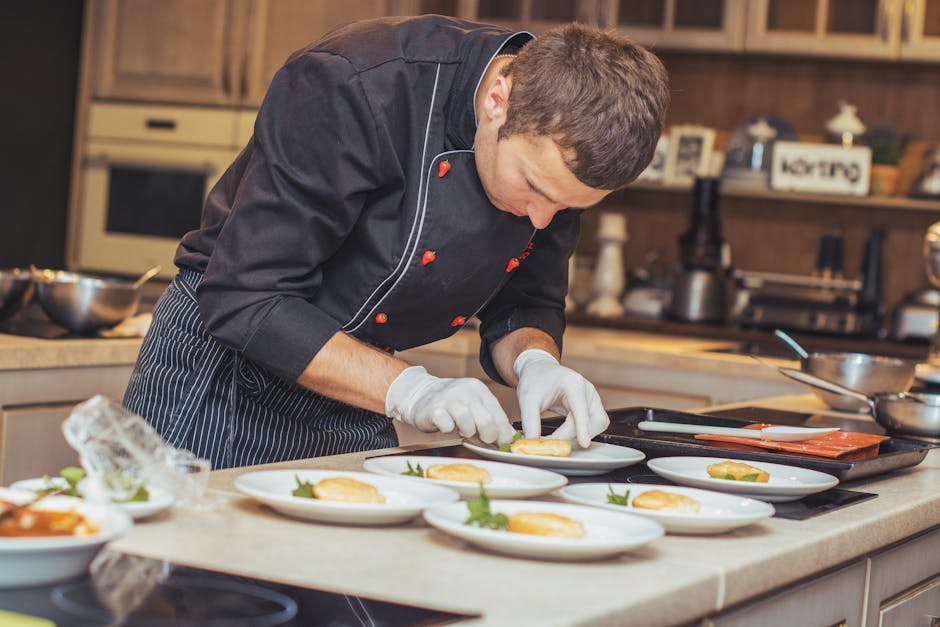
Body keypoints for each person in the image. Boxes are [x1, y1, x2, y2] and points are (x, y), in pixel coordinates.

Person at [123, 14, 670, 469]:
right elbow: (248, 298)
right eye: (532, 186)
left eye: (568, 209)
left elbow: (525, 302)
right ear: (497, 101)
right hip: (225, 380)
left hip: (359, 388)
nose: (542, 220)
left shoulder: (554, 163)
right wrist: (414, 391)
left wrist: (536, 363)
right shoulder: (353, 85)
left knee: (349, 583)